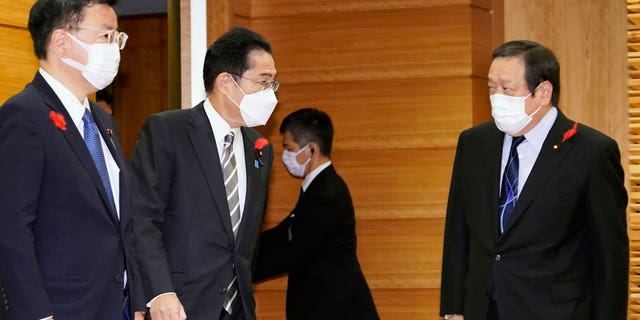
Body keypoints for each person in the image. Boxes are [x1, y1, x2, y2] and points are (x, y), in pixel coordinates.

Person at [439, 40, 629, 320]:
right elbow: (458, 231)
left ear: (543, 92)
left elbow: (609, 255)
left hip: (556, 311)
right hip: (484, 308)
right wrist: (453, 308)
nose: (497, 98)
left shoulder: (591, 152)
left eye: (507, 89)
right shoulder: (474, 143)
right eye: (491, 88)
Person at [0, 0, 144, 319]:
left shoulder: (103, 122)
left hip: (113, 306)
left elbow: (122, 223)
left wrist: (136, 301)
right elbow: (11, 227)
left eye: (117, 37)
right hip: (59, 309)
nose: (114, 48)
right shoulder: (24, 115)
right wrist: (36, 313)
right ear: (62, 42)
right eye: (105, 36)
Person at [129, 26, 277, 320]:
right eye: (263, 82)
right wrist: (158, 292)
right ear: (225, 82)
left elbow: (246, 241)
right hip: (179, 306)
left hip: (238, 309)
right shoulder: (168, 131)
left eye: (274, 84)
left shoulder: (260, 148)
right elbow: (142, 218)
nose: (270, 94)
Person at [254, 108, 379, 320]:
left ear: (311, 149)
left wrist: (239, 272)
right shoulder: (317, 187)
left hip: (337, 309)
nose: (285, 156)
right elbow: (286, 231)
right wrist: (243, 249)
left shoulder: (327, 194)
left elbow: (294, 252)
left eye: (289, 148)